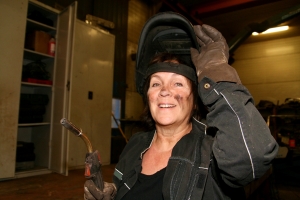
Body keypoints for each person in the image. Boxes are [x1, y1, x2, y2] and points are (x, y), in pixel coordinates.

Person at [84, 12, 279, 200]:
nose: (164, 90)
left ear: (195, 99)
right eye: (156, 83)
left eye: (178, 83)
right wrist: (114, 194)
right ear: (148, 96)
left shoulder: (213, 150)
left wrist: (216, 74)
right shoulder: (136, 144)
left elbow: (253, 156)